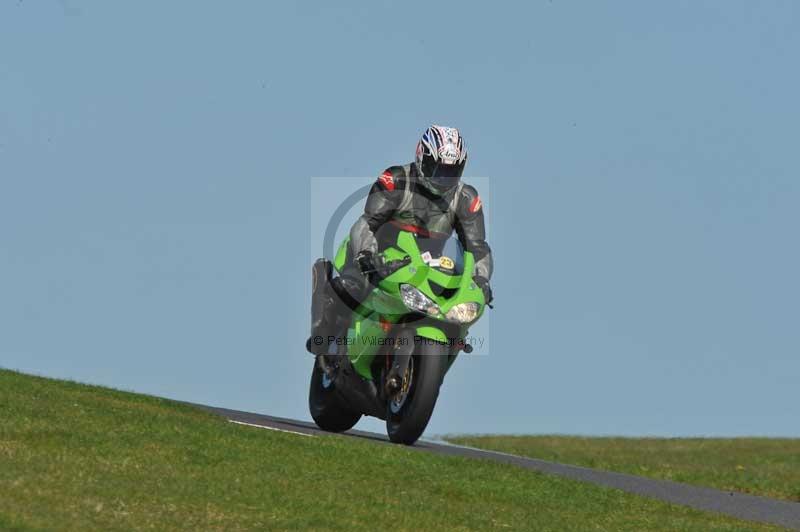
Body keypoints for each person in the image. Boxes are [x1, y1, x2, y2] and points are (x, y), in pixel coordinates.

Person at [307, 125, 493, 355]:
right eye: (437, 169)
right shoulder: (396, 180)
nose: (443, 178)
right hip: (379, 254)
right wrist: (366, 256)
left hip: (428, 267)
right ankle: (325, 336)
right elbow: (367, 223)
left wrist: (482, 280)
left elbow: (478, 248)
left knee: (457, 310)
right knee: (350, 287)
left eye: (450, 171)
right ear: (422, 157)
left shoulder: (466, 198)